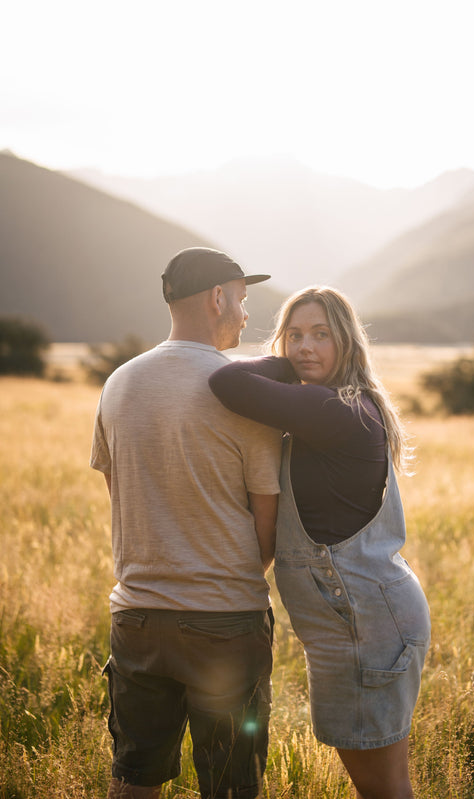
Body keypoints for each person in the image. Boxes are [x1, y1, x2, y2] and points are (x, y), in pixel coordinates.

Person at [208, 286, 431, 799]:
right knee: (384, 786)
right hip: (362, 621)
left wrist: (282, 365)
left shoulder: (331, 409)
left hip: (364, 627)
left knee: (383, 789)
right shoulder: (346, 404)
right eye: (294, 335)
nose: (305, 347)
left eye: (321, 335)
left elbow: (227, 381)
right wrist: (291, 364)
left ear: (348, 343)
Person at [90, 247, 283, 799]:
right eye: (243, 300)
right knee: (231, 786)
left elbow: (119, 494)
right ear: (218, 298)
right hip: (224, 620)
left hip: (137, 619)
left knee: (133, 779)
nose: (246, 315)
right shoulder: (245, 392)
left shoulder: (118, 383)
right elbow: (264, 523)